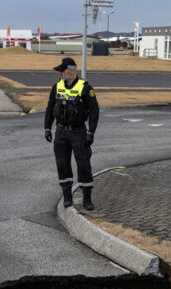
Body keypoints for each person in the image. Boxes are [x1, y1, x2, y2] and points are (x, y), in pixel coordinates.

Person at [44, 57, 100, 210]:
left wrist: (91, 132)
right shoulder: (57, 86)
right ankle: (67, 197)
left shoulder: (86, 88)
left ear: (71, 70)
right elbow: (50, 107)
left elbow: (94, 111)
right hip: (61, 131)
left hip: (78, 132)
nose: (60, 73)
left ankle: (87, 198)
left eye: (62, 70)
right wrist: (47, 128)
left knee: (83, 164)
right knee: (62, 164)